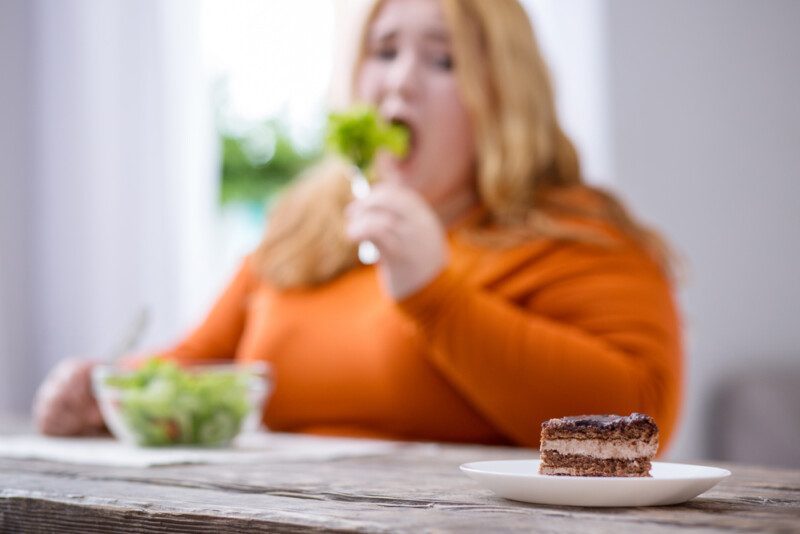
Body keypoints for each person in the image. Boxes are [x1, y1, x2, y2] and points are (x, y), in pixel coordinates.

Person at [33, 0, 682, 451]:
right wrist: (108, 395)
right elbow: (198, 365)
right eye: (383, 50)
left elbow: (640, 417)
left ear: (507, 96)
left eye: (443, 60)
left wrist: (435, 294)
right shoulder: (309, 222)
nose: (398, 83)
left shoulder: (572, 232)